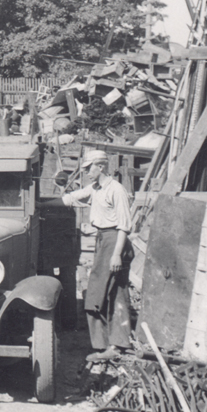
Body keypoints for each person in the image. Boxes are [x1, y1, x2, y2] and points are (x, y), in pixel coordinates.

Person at [62, 149, 133, 356]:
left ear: (101, 167)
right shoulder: (95, 188)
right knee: (114, 291)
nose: (86, 172)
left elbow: (124, 226)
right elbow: (71, 198)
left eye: (88, 168)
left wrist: (116, 254)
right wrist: (39, 205)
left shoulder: (116, 190)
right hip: (103, 238)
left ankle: (107, 345)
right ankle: (114, 344)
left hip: (114, 241)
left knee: (96, 293)